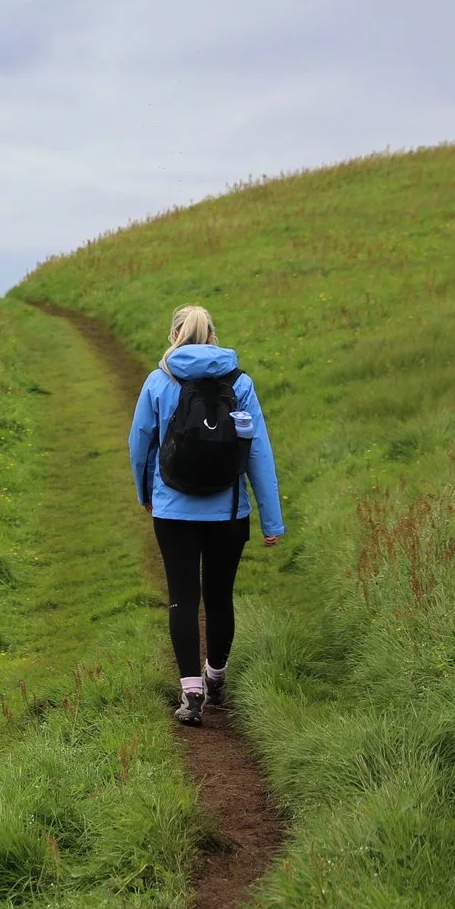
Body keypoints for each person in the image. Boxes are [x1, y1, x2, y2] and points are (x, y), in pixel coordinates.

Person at [129, 304, 283, 726]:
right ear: (213, 337)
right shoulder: (241, 383)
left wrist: (148, 495)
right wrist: (272, 522)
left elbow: (139, 444)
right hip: (228, 512)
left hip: (173, 511)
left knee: (182, 597)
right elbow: (259, 455)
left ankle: (190, 692)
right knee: (219, 597)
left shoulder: (159, 381)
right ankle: (216, 678)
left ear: (173, 335)